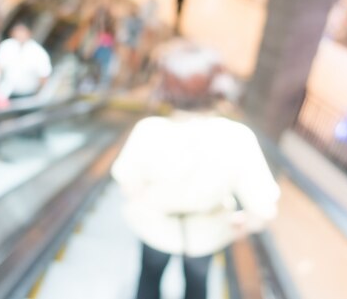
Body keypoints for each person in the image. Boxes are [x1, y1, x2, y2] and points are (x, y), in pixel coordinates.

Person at [112, 42, 279, 299]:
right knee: (198, 287)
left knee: (148, 280)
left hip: (156, 226)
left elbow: (128, 186)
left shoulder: (149, 131)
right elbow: (264, 208)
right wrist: (239, 224)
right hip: (208, 231)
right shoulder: (237, 138)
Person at [0, 23, 52, 100]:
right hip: (5, 92)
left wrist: (40, 95)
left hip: (27, 95)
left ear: (28, 33)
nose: (20, 35)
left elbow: (44, 75)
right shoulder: (6, 46)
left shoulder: (38, 52)